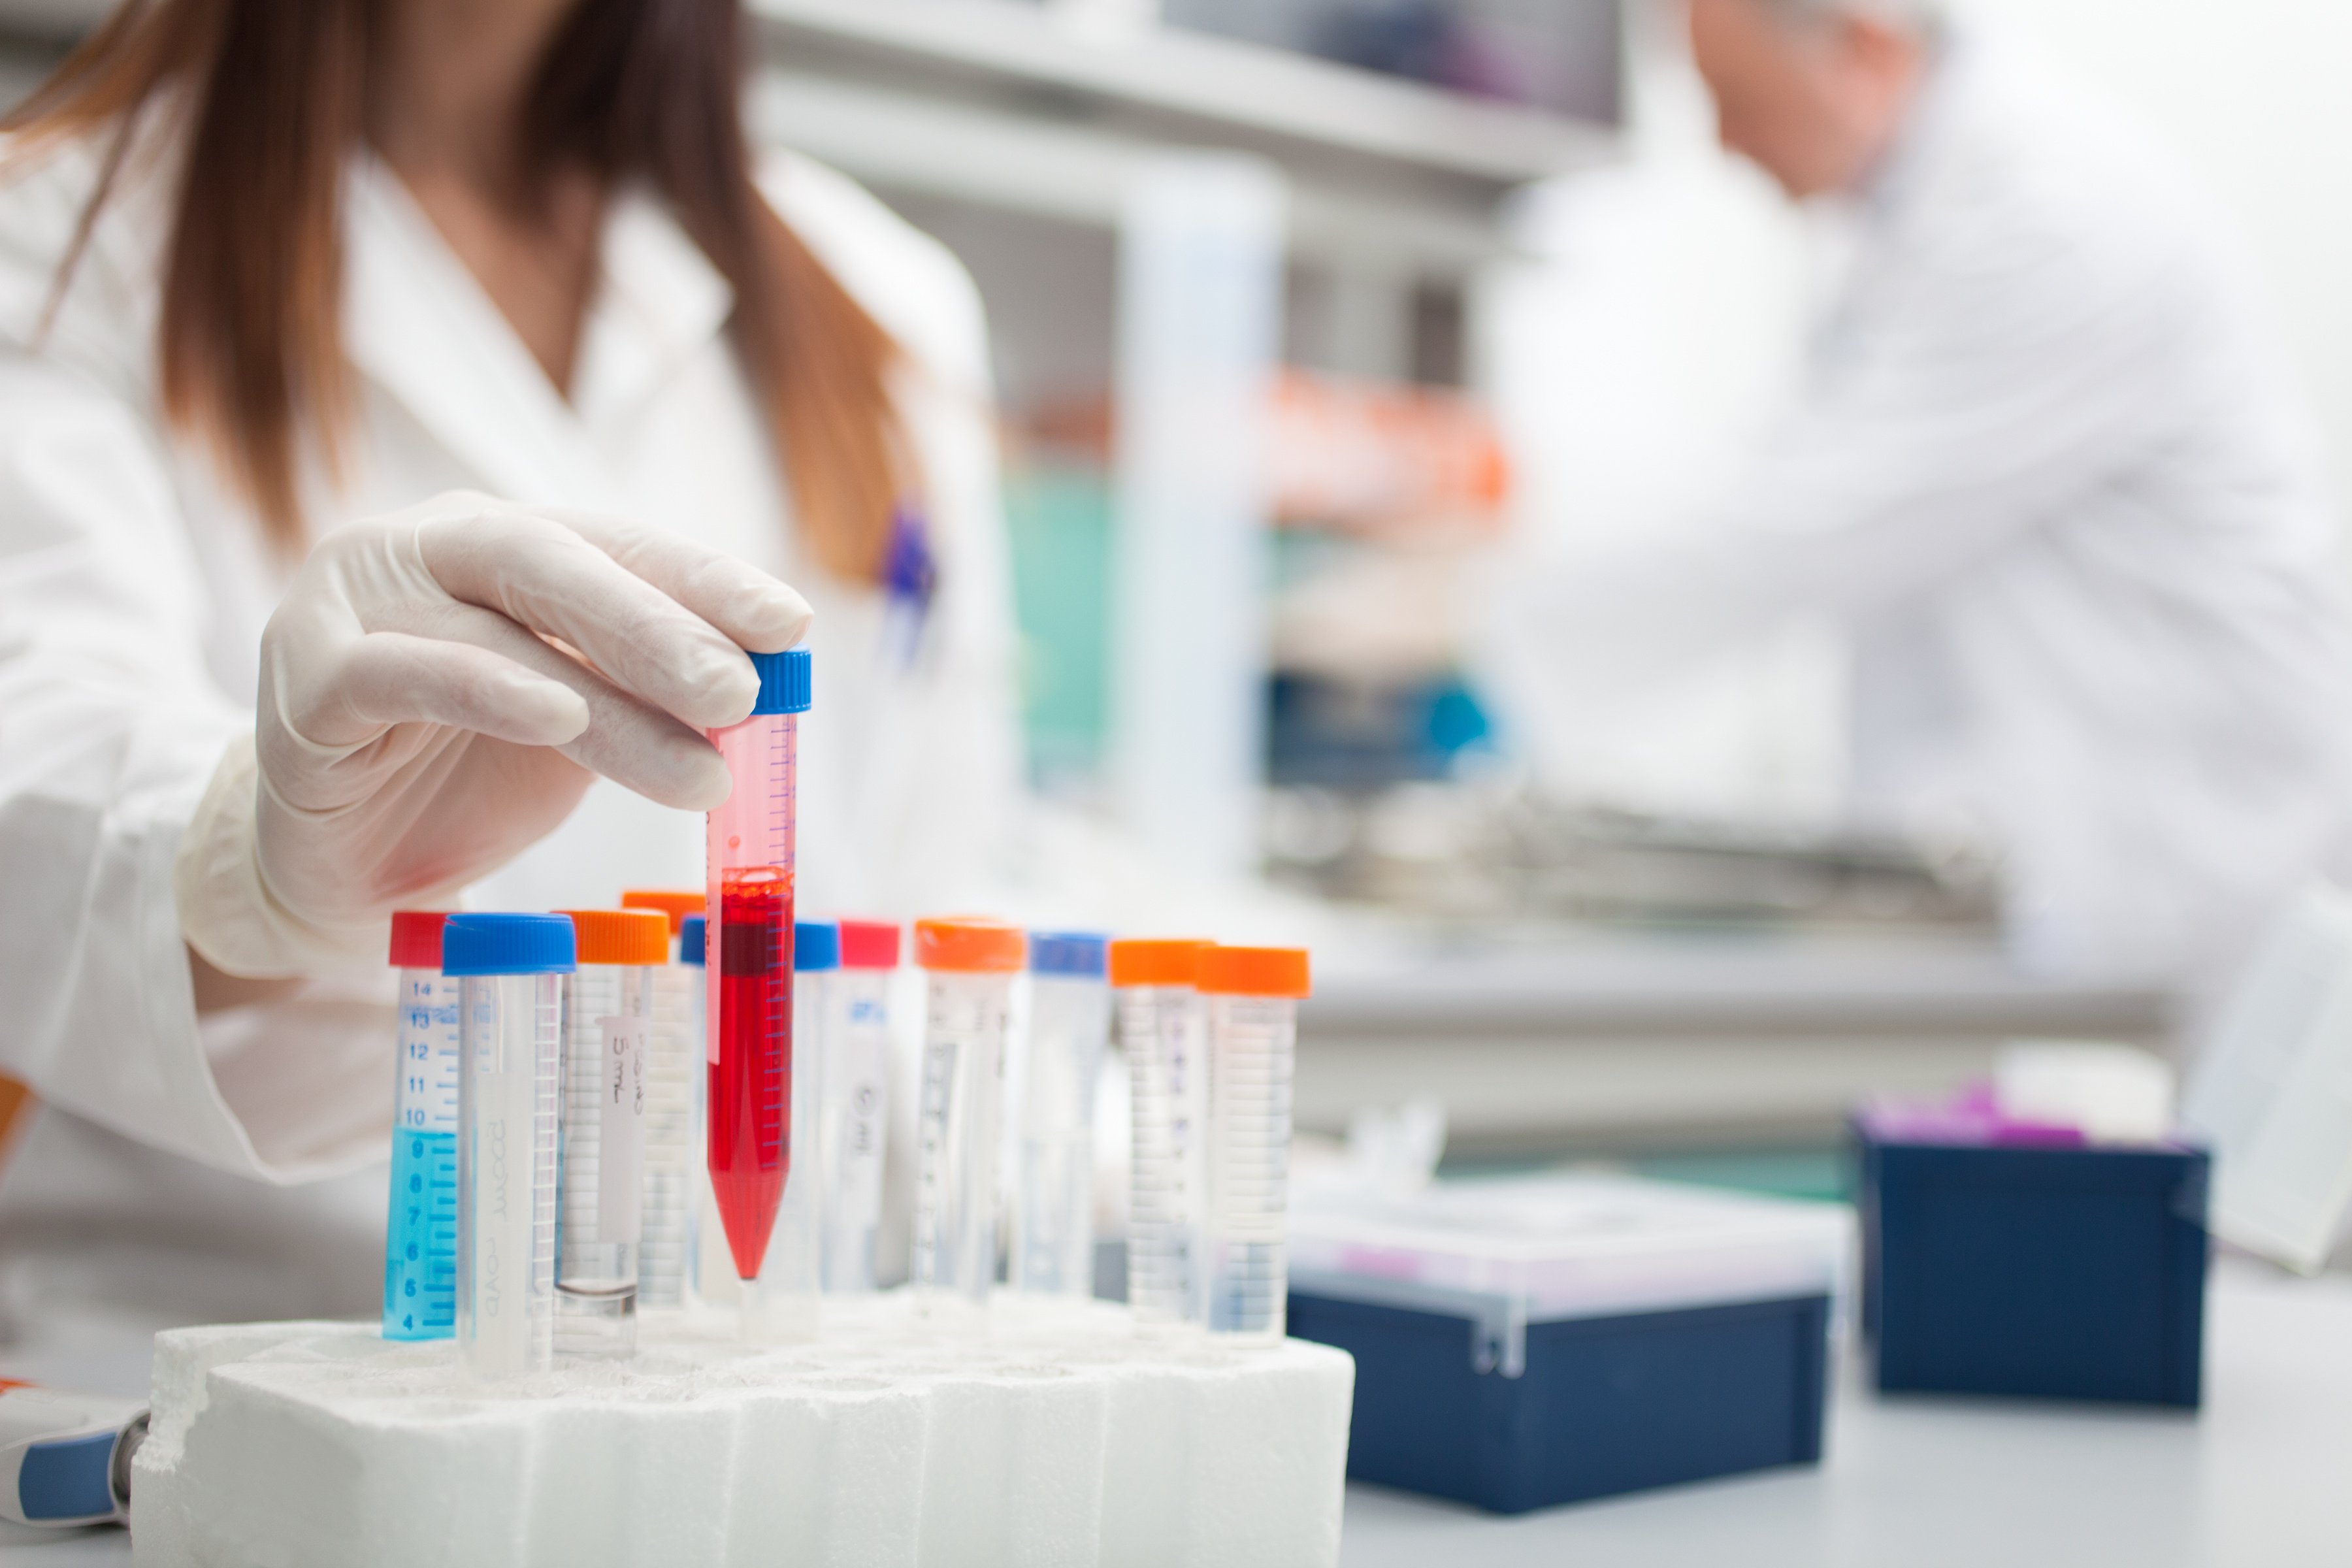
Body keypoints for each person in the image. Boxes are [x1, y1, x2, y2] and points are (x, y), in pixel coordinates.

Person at [0, 0, 1021, 1331]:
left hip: (753, 1380)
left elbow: (932, 885)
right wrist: (249, 868)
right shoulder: (57, 235)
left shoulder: (879, 305)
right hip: (213, 1400)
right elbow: (35, 771)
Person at [1475, 0, 2352, 983]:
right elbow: (1777, 481)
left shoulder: (2053, 212)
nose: (1725, 142)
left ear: (1865, 51)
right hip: (2073, 869)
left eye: (1738, 101)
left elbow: (1809, 526)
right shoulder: (1923, 221)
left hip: (2185, 858)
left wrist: (1472, 614)